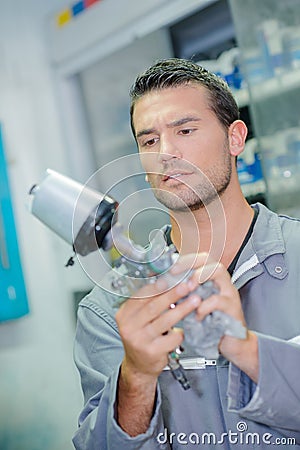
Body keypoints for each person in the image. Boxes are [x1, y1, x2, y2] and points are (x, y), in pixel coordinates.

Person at [72, 58, 300, 449]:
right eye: (149, 140)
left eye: (186, 129)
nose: (166, 152)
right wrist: (137, 378)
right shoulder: (108, 311)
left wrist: (244, 348)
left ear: (235, 138)